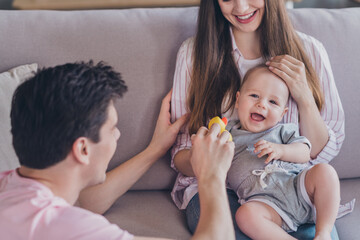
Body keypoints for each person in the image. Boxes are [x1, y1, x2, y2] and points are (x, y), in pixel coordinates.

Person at [0, 61, 235, 240]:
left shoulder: (13, 189)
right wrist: (211, 174)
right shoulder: (70, 228)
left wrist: (155, 149)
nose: (118, 135)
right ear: (83, 148)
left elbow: (85, 202)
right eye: (112, 128)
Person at [170, 0, 345, 239]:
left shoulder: (310, 50)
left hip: (291, 184)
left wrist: (304, 97)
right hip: (221, 186)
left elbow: (321, 153)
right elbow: (181, 153)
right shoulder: (194, 55)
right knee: (242, 226)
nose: (241, 8)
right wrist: (211, 157)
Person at [226, 65, 351, 240]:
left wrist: (281, 150)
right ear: (238, 100)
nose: (261, 104)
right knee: (245, 215)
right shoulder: (228, 136)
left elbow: (305, 153)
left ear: (282, 113)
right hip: (265, 204)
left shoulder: (282, 131)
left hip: (298, 189)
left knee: (325, 171)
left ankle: (323, 233)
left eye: (273, 102)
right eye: (254, 95)